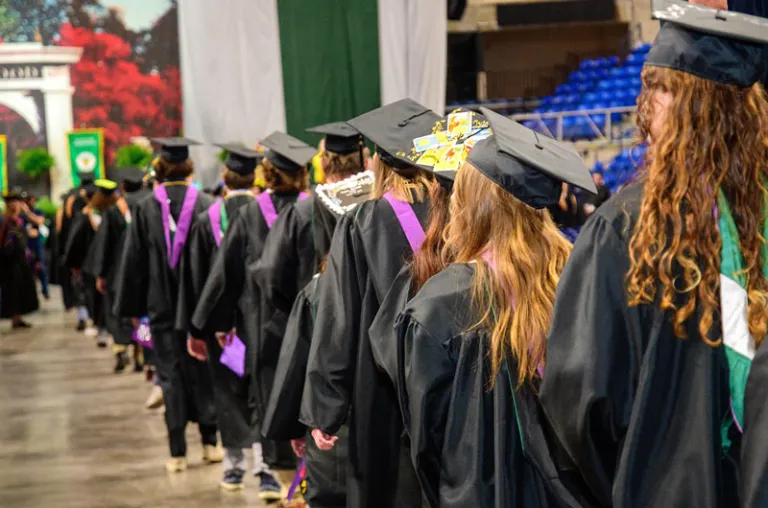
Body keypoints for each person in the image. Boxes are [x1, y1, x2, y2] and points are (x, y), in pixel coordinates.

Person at [539, 3, 768, 507]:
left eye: (666, 89)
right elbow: (582, 399)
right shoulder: (624, 229)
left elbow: (582, 404)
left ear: (705, 109)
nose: (649, 104)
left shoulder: (626, 230)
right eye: (651, 87)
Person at [300, 99, 440, 508]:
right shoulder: (458, 212)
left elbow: (337, 321)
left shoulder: (362, 222)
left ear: (377, 160)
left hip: (382, 387)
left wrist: (325, 407)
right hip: (451, 381)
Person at [191, 131, 315, 501]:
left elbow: (223, 277)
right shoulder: (319, 209)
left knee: (273, 400)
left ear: (267, 173)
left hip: (264, 328)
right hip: (315, 326)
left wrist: (207, 325)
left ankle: (281, 478)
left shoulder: (247, 216)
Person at [261, 171, 375, 508]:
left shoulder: (317, 292)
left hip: (334, 435)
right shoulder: (408, 283)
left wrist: (296, 425)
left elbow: (299, 363)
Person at [113, 137, 222, 473]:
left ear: (159, 168)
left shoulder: (145, 208)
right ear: (188, 167)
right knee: (203, 373)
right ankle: (209, 444)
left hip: (159, 309)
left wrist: (132, 310)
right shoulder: (205, 203)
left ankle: (177, 453)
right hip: (199, 311)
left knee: (170, 375)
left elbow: (132, 264)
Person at [176, 145, 261, 492]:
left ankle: (234, 466)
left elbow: (196, 279)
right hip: (262, 323)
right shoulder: (268, 215)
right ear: (254, 178)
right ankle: (267, 464)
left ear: (225, 179)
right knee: (262, 392)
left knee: (226, 394)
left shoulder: (205, 220)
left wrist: (197, 328)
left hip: (220, 328)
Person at [251, 121, 366, 327]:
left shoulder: (299, 214)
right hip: (371, 330)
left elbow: (270, 275)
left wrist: (301, 308)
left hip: (317, 326)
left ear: (322, 164)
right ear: (364, 162)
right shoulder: (381, 207)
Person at [87, 167, 151, 372]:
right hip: (145, 269)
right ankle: (142, 353)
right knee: (143, 313)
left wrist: (100, 274)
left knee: (118, 313)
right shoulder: (149, 205)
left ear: (123, 187)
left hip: (118, 271)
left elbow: (104, 245)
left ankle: (121, 350)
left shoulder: (114, 210)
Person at [63, 181, 108, 344]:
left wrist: (74, 264)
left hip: (90, 264)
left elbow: (74, 242)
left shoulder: (84, 216)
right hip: (108, 265)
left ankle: (98, 325)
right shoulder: (110, 212)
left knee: (93, 296)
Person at [58, 173, 95, 329]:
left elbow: (63, 229)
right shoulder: (99, 202)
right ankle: (94, 318)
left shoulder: (71, 200)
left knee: (80, 285)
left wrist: (68, 255)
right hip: (94, 251)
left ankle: (83, 316)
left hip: (78, 249)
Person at [0, 190, 39, 329]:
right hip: (9, 262)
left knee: (19, 290)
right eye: (13, 202)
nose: (15, 205)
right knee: (12, 290)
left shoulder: (19, 220)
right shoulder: (5, 220)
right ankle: (14, 317)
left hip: (20, 261)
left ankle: (17, 317)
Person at [21, 193, 49, 300]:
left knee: (41, 267)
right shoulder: (20, 214)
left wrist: (27, 212)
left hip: (37, 244)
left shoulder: (36, 211)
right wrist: (27, 232)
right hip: (25, 244)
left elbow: (39, 221)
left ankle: (45, 289)